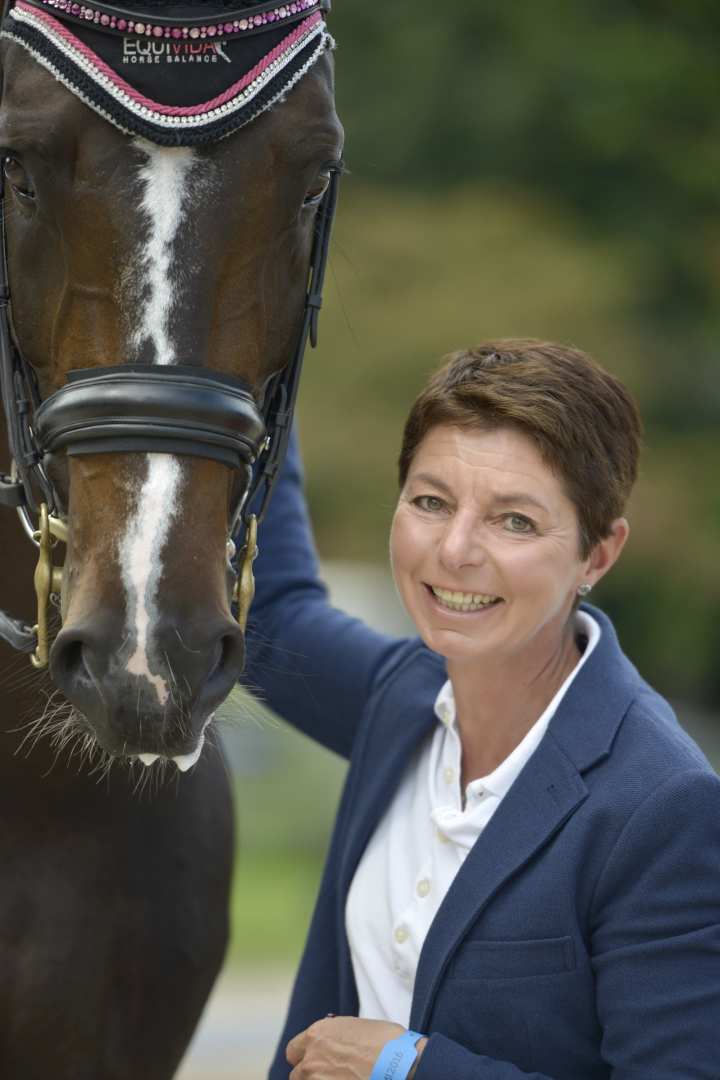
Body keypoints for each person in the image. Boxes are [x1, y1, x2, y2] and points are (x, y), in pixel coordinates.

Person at [242, 339, 720, 1080]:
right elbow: (267, 617)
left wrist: (406, 1067)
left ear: (598, 555)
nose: (455, 549)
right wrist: (254, 360)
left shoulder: (662, 805)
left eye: (515, 521)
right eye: (431, 502)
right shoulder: (399, 698)